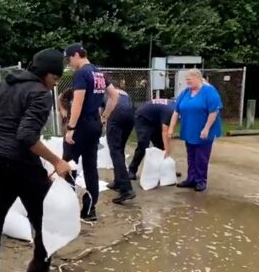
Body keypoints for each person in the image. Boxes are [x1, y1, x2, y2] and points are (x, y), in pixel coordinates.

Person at [0, 49, 72, 272]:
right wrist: (57, 161)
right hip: (22, 163)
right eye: (56, 79)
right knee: (44, 220)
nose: (55, 84)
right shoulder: (39, 93)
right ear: (46, 74)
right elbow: (26, 136)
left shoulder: (4, 85)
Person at [63, 43, 120, 222]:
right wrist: (104, 117)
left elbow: (77, 103)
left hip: (81, 124)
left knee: (67, 165)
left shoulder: (81, 73)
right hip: (95, 124)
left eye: (69, 58)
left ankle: (67, 209)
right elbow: (114, 96)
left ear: (76, 55)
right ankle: (90, 210)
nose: (69, 63)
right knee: (90, 167)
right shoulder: (99, 72)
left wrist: (71, 128)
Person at [167, 68, 223, 192]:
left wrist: (206, 128)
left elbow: (214, 111)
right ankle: (191, 179)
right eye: (186, 79)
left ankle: (201, 180)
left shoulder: (209, 91)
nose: (187, 82)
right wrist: (171, 128)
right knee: (191, 156)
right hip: (189, 129)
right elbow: (176, 111)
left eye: (189, 79)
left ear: (198, 78)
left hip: (204, 130)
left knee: (201, 157)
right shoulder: (186, 92)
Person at [102, 87, 136, 204]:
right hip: (130, 116)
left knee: (115, 150)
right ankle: (118, 181)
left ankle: (126, 189)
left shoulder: (102, 93)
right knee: (119, 149)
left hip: (115, 114)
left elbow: (99, 111)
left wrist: (102, 119)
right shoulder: (124, 92)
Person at [127, 98, 175, 179]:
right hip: (143, 119)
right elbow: (165, 132)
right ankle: (132, 170)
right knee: (143, 144)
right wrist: (167, 150)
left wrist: (166, 149)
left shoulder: (174, 106)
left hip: (155, 119)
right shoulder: (170, 111)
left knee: (160, 146)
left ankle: (165, 169)